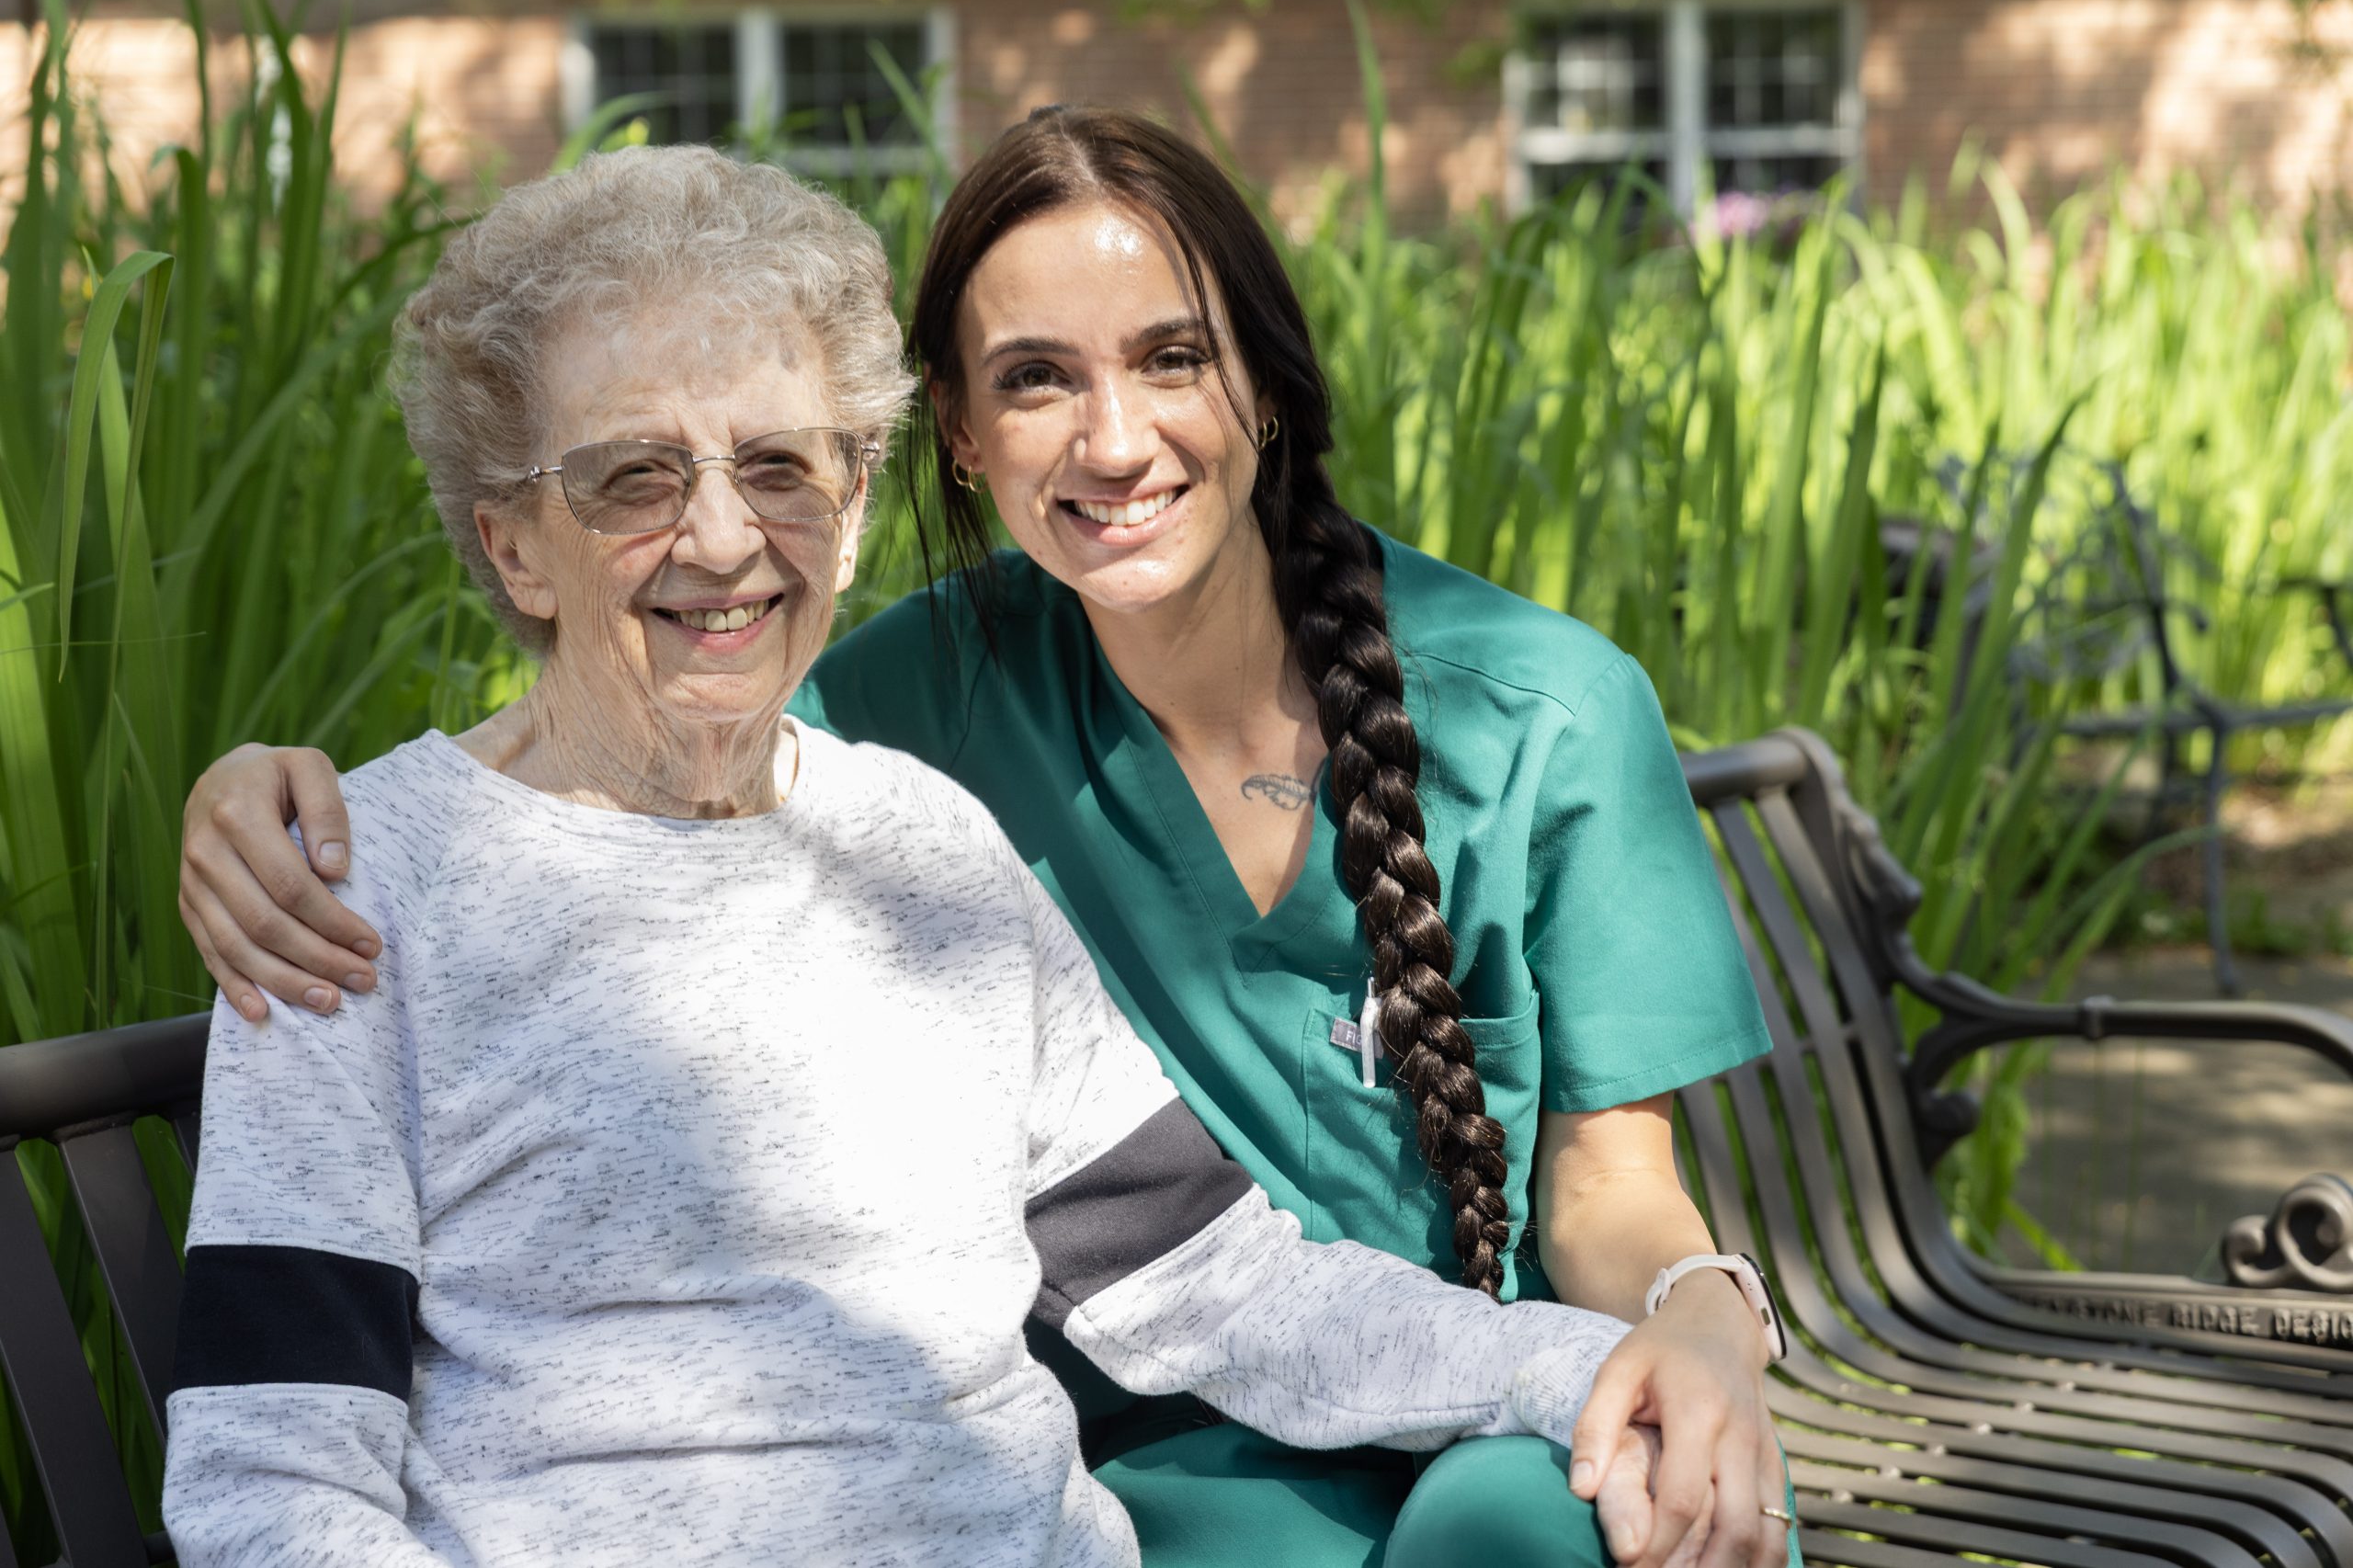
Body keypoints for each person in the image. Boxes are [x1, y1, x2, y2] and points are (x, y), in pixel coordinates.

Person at [177, 113, 1799, 1568]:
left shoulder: (921, 846)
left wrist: (1634, 1349)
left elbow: (1215, 1287)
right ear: (514, 543)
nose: (727, 539)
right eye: (636, 479)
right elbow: (275, 1482)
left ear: (861, 496)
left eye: (778, 467)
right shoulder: (347, 901)